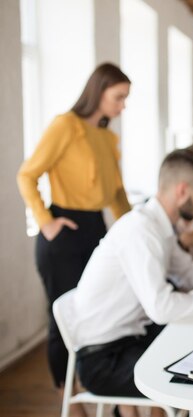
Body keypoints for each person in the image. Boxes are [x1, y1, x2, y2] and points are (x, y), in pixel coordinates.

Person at [67, 148, 193, 417]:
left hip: (131, 341)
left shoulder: (158, 227)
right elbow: (162, 307)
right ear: (182, 191)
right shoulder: (142, 232)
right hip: (104, 360)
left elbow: (190, 272)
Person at [16, 62, 132, 415]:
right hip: (63, 233)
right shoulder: (64, 126)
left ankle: (103, 388)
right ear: (98, 92)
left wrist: (133, 232)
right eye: (119, 97)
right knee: (64, 319)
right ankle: (66, 395)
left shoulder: (107, 137)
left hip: (97, 231)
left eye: (125, 98)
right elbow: (27, 175)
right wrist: (46, 222)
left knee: (103, 313)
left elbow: (117, 194)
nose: (123, 106)